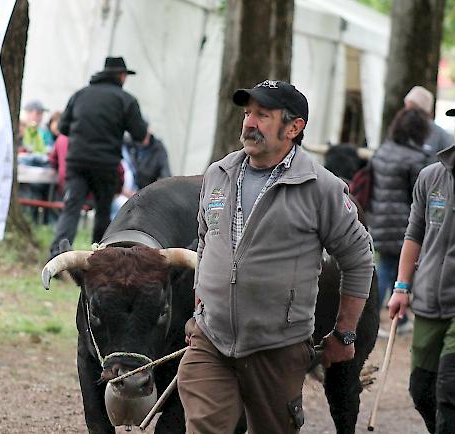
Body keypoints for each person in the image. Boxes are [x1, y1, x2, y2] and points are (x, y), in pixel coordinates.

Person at [177, 80, 374, 433]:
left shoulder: (321, 188)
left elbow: (359, 257)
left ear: (294, 127)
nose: (249, 123)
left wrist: (344, 332)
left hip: (278, 347)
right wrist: (200, 308)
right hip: (212, 341)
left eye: (263, 115)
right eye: (248, 113)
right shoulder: (217, 175)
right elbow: (206, 242)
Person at [387, 108, 455, 434]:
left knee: (449, 390)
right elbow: (414, 234)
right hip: (428, 300)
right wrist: (401, 287)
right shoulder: (432, 176)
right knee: (421, 390)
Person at [47, 57, 148, 260]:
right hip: (106, 164)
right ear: (121, 76)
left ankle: (57, 256)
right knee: (103, 213)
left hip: (77, 161)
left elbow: (63, 128)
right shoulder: (126, 100)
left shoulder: (80, 95)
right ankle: (99, 259)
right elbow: (139, 134)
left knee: (71, 208)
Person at [369, 107, 432, 337]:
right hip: (404, 225)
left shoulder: (383, 151)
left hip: (380, 221)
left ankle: (372, 317)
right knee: (399, 273)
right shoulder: (417, 158)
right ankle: (390, 319)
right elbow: (420, 199)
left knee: (384, 270)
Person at [404, 86, 453, 158]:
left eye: (413, 108)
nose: (408, 112)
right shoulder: (401, 130)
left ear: (424, 110)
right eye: (406, 106)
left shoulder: (441, 136)